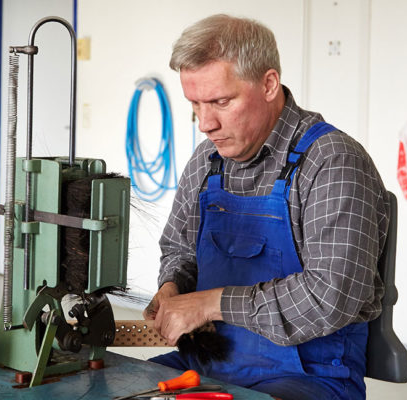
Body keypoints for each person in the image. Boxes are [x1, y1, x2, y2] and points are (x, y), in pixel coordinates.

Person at [143, 14, 389, 400]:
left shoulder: (332, 162)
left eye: (220, 102)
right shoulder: (207, 160)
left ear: (269, 84)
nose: (205, 123)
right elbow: (178, 248)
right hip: (206, 365)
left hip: (311, 375)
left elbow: (331, 296)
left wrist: (210, 304)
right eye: (195, 104)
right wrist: (173, 287)